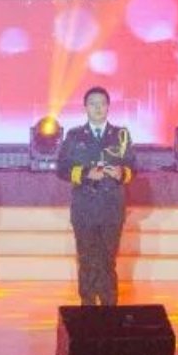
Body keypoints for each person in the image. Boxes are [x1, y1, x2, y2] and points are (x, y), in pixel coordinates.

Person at [55, 86, 135, 306]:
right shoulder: (74, 135)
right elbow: (61, 169)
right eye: (93, 104)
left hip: (111, 207)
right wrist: (85, 174)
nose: (98, 108)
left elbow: (133, 167)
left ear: (108, 107)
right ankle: (88, 309)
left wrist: (121, 173)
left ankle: (109, 309)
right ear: (85, 107)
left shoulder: (121, 135)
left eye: (102, 104)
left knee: (108, 260)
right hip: (85, 207)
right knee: (87, 260)